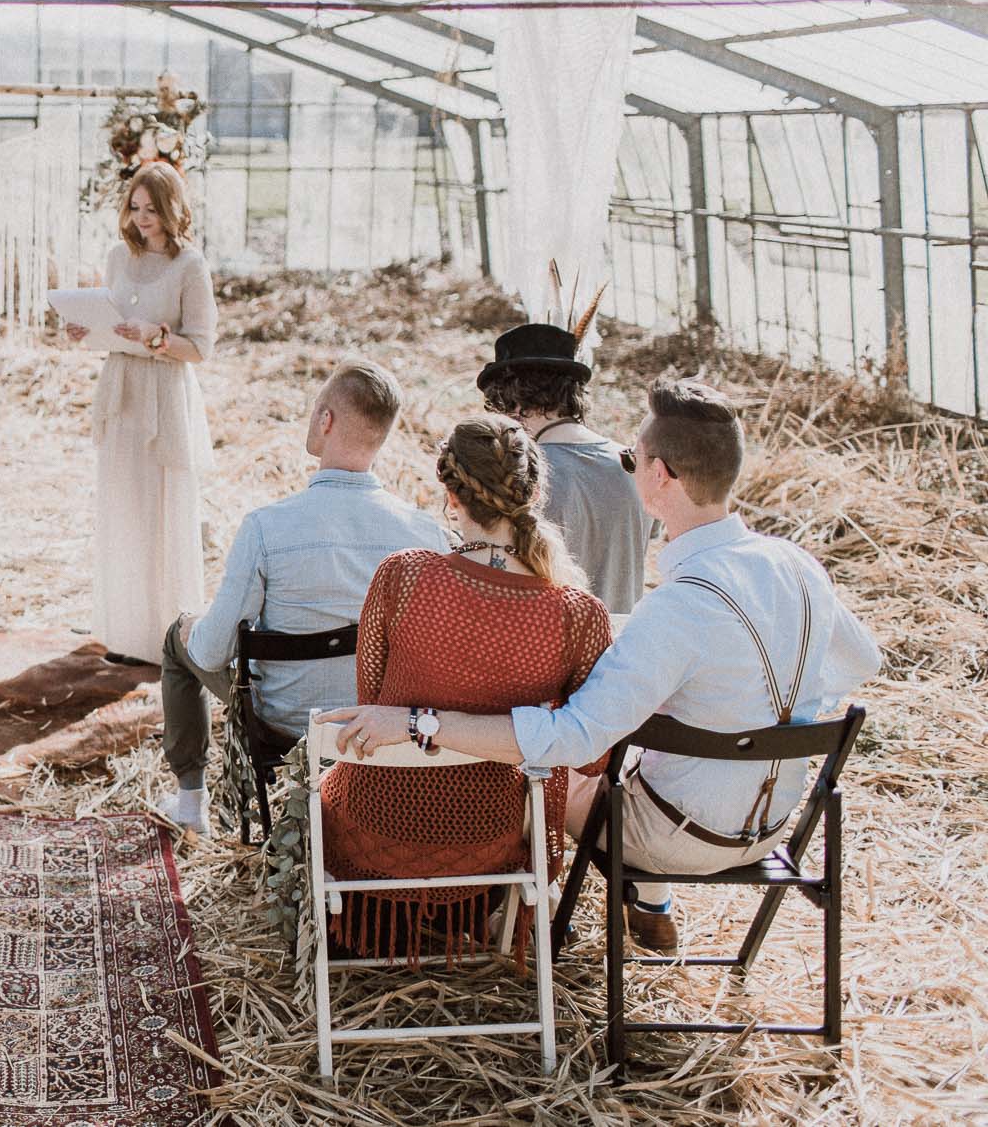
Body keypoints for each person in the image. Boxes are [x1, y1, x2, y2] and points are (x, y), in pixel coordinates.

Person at [322, 381, 881, 953]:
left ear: (658, 475)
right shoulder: (796, 563)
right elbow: (863, 660)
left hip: (675, 834)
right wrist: (751, 711)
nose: (628, 467)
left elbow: (573, 741)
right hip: (769, 829)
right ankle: (650, 906)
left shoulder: (678, 604)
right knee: (623, 747)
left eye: (629, 458)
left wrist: (424, 723)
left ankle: (542, 905)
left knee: (577, 768)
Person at [314, 417, 612, 959]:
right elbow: (591, 759)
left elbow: (375, 705)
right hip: (489, 847)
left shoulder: (402, 577)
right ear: (533, 493)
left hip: (375, 831)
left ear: (451, 495)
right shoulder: (578, 615)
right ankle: (468, 923)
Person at [152, 360, 449, 835]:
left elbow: (210, 651)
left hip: (285, 724)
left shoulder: (267, 527)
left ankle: (191, 805)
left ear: (325, 420)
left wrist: (196, 623)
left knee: (178, 637)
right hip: (384, 720)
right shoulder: (425, 531)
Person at [68, 161, 217, 665]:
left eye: (152, 209)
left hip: (164, 394)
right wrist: (85, 330)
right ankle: (126, 633)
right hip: (123, 390)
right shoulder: (118, 256)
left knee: (161, 510)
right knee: (124, 506)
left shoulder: (190, 265)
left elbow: (200, 346)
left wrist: (154, 336)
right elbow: (111, 322)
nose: (142, 218)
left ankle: (166, 636)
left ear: (173, 210)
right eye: (135, 208)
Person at [479, 323, 656, 613]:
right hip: (623, 646)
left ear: (514, 403)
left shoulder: (521, 477)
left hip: (549, 650)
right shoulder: (634, 465)